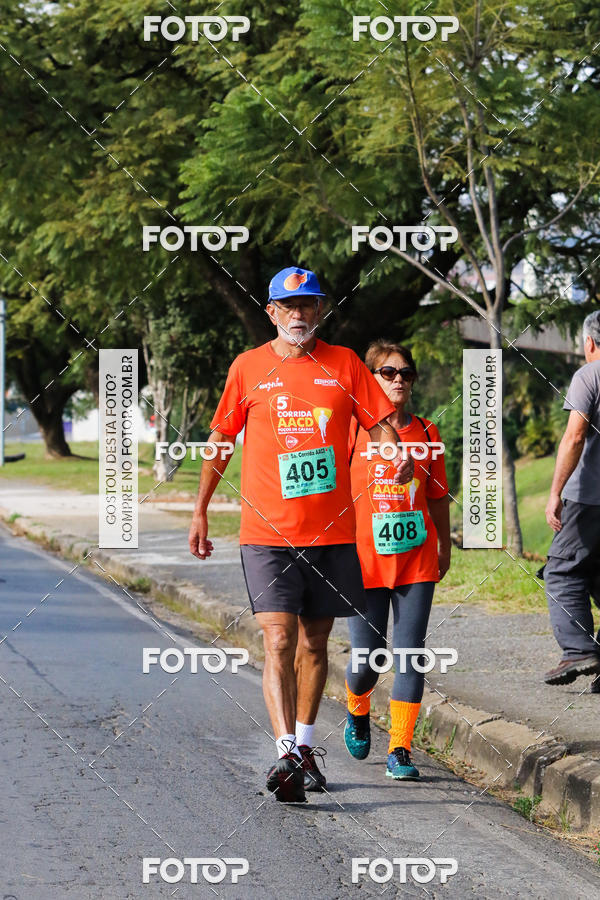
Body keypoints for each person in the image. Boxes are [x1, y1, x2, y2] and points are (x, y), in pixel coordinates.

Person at [188, 268, 413, 803]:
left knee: (315, 643)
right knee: (279, 639)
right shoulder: (248, 368)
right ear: (271, 312)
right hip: (266, 535)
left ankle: (306, 745)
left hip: (333, 533)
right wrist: (199, 510)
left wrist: (396, 452)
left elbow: (379, 421)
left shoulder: (345, 365)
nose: (298, 315)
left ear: (319, 311)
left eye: (308, 305)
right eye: (288, 306)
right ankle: (287, 750)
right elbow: (221, 439)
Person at [344, 340, 451, 780]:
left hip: (415, 559)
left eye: (405, 373)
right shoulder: (351, 430)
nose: (398, 380)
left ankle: (400, 749)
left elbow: (439, 496)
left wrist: (445, 545)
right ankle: (357, 706)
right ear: (371, 379)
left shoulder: (427, 433)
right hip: (363, 560)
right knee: (368, 658)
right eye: (387, 373)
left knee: (410, 655)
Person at [543, 310, 600, 686]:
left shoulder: (589, 374)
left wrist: (554, 493)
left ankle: (579, 649)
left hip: (589, 497)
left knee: (561, 570)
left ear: (589, 342)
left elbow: (574, 436)